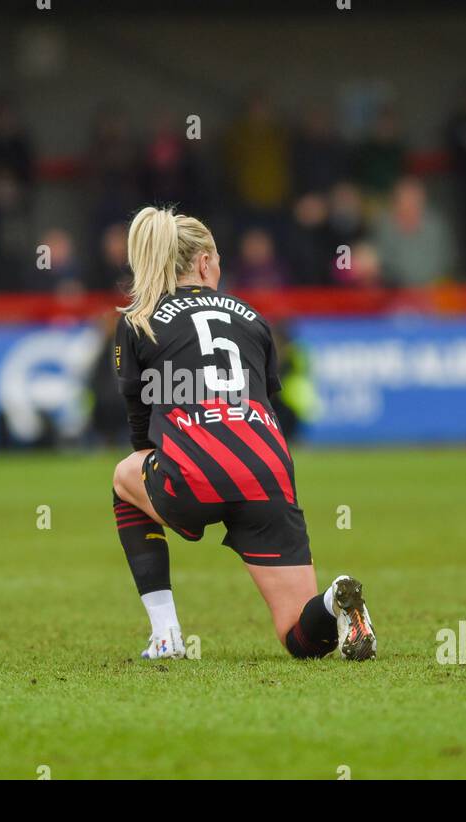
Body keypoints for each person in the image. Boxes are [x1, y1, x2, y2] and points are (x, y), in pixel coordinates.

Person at [109, 206, 376, 661]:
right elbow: (268, 401)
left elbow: (139, 421)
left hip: (194, 471)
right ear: (205, 262)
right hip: (266, 471)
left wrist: (164, 475)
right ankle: (334, 600)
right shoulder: (252, 317)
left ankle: (166, 635)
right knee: (299, 637)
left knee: (123, 477)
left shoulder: (140, 319)